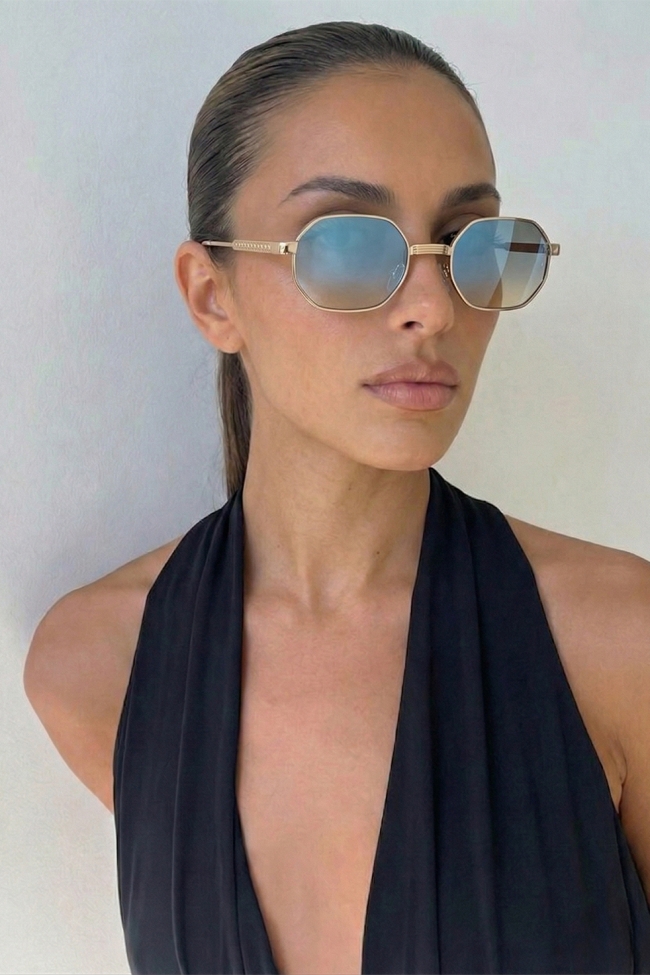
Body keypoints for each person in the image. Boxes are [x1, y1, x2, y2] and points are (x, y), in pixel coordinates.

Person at [24, 20, 650, 975]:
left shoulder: (620, 645)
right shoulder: (94, 666)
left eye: (468, 242)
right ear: (212, 296)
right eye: (348, 244)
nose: (433, 307)